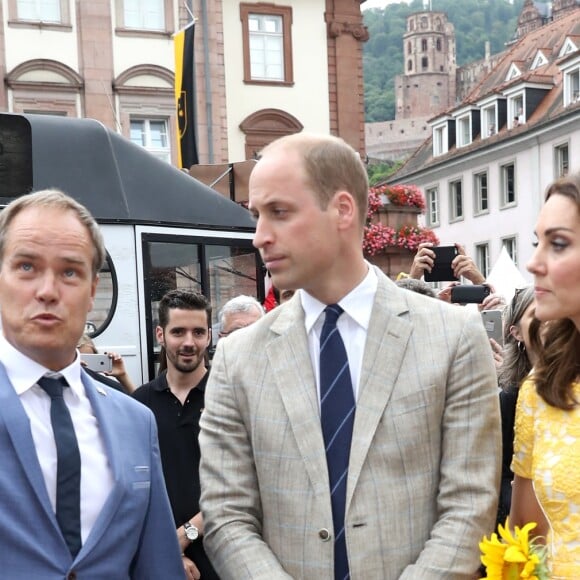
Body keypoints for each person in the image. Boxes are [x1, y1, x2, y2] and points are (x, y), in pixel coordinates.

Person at [199, 133, 501, 579]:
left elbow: (470, 504)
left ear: (342, 210)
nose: (260, 236)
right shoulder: (236, 358)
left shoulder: (453, 336)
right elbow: (227, 515)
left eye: (279, 212)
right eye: (256, 215)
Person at [0, 189, 184, 579]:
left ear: (92, 291)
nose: (47, 290)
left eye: (69, 271)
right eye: (27, 267)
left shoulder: (136, 421)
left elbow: (157, 565)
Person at [510, 173, 580, 578]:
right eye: (538, 242)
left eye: (557, 244)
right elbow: (526, 539)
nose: (534, 262)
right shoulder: (542, 389)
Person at [133, 289, 218, 580]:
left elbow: (245, 482)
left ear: (209, 335)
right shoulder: (139, 404)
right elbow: (134, 487)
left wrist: (184, 535)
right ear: (160, 334)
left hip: (223, 556)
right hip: (158, 559)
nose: (189, 343)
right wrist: (168, 549)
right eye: (178, 331)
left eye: (198, 332)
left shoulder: (229, 397)